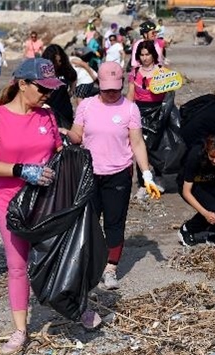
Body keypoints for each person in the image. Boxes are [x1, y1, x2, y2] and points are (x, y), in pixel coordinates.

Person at [0, 58, 101, 353]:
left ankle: (77, 307)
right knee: (18, 266)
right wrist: (21, 170)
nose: (47, 94)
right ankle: (20, 330)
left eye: (51, 89)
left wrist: (74, 157)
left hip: (48, 200)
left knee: (63, 254)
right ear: (22, 84)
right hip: (11, 203)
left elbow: (59, 153)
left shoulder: (46, 115)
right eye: (42, 88)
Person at [63, 61, 160, 290]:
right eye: (106, 89)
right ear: (99, 85)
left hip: (119, 174)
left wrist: (146, 174)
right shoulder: (86, 106)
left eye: (115, 89)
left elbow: (137, 142)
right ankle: (89, 265)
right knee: (89, 223)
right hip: (89, 174)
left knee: (114, 224)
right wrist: (64, 133)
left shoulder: (129, 108)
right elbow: (78, 135)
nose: (110, 93)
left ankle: (110, 268)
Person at [127, 40, 168, 197]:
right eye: (142, 55)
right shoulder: (135, 72)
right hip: (139, 111)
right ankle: (143, 183)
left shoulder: (162, 71)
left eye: (147, 54)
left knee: (157, 145)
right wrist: (128, 113)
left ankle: (158, 177)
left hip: (157, 112)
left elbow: (169, 93)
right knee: (139, 145)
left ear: (153, 55)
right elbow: (130, 95)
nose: (144, 58)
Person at [42, 44, 77, 129]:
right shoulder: (42, 72)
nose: (59, 63)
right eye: (56, 61)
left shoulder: (65, 69)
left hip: (65, 110)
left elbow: (73, 77)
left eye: (60, 60)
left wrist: (72, 90)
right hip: (48, 111)